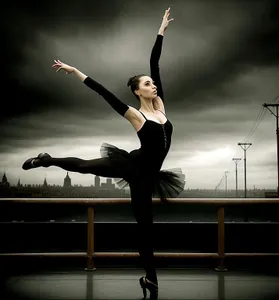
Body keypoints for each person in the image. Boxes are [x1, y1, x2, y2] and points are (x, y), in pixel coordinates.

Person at [22, 7, 185, 300]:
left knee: (146, 230)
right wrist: (75, 72)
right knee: (85, 166)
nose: (153, 84)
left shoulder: (161, 107)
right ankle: (45, 160)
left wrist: (161, 31)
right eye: (147, 83)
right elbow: (104, 93)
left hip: (150, 176)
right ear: (138, 91)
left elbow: (155, 62)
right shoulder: (136, 115)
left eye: (153, 82)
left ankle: (152, 280)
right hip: (133, 167)